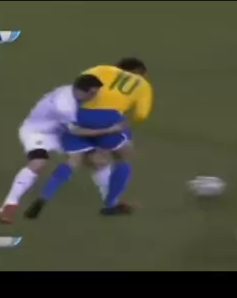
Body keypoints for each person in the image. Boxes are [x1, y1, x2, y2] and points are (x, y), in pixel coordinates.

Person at [24, 58, 153, 219]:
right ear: (139, 72)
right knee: (124, 157)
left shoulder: (100, 69)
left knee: (73, 161)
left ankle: (43, 198)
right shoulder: (142, 84)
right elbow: (141, 115)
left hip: (79, 115)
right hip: (109, 117)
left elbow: (79, 85)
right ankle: (110, 205)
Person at [0, 74, 124, 224]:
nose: (95, 96)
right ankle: (9, 205)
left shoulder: (72, 92)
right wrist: (110, 130)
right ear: (81, 90)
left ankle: (111, 202)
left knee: (98, 160)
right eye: (92, 93)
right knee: (38, 163)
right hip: (38, 132)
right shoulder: (64, 105)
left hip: (60, 131)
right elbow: (77, 131)